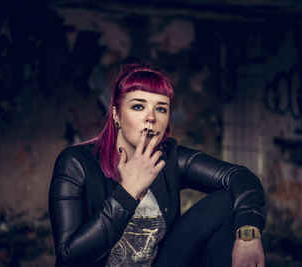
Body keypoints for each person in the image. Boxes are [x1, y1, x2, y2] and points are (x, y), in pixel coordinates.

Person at [49, 63, 266, 267]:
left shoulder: (169, 157)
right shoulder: (76, 162)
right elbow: (68, 256)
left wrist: (248, 234)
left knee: (227, 199)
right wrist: (128, 192)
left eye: (161, 109)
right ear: (116, 115)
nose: (151, 117)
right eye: (138, 106)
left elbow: (239, 176)